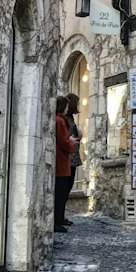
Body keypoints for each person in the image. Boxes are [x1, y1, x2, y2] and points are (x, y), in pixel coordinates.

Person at [54, 95, 72, 234]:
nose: (67, 109)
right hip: (60, 161)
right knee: (61, 192)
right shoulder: (60, 121)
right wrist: (71, 142)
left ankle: (59, 219)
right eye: (66, 106)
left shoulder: (59, 120)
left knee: (61, 192)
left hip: (60, 161)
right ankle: (57, 220)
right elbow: (64, 141)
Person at [65, 91, 83, 201]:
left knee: (68, 186)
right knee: (66, 186)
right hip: (69, 158)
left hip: (73, 157)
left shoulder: (70, 118)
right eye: (77, 103)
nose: (78, 106)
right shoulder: (66, 119)